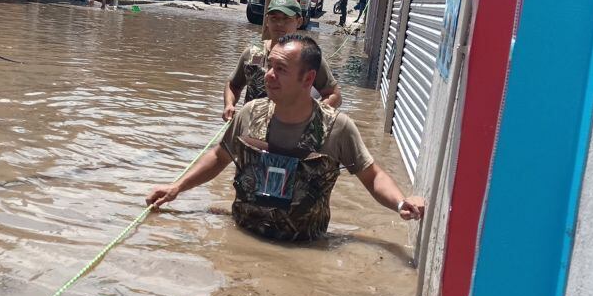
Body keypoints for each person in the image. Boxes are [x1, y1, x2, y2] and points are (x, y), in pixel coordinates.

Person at [147, 33, 425, 242]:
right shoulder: (250, 113)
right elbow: (219, 156)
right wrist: (176, 188)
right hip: (240, 240)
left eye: (280, 69)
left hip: (302, 252)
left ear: (308, 79)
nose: (268, 76)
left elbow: (372, 176)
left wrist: (401, 203)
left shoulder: (337, 128)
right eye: (269, 66)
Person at [225, 0, 340, 119]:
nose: (280, 24)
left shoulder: (307, 57)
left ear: (299, 21)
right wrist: (229, 105)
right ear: (267, 21)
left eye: (286, 19)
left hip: (290, 131)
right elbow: (233, 85)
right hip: (251, 127)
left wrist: (309, 118)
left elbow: (334, 96)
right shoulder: (251, 53)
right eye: (274, 18)